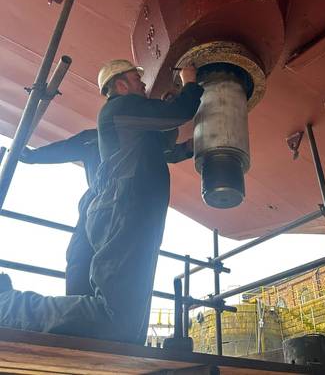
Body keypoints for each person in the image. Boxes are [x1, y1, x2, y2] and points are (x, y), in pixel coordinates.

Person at [0, 59, 203, 344]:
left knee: (126, 327)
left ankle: (97, 345)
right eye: (136, 78)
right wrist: (190, 82)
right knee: (117, 319)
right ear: (120, 85)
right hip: (124, 206)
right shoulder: (118, 108)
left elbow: (160, 147)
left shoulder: (130, 128)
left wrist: (188, 148)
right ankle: (7, 309)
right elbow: (177, 114)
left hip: (136, 210)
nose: (144, 84)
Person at [19, 129, 99, 296]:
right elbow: (68, 148)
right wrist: (33, 156)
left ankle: (80, 311)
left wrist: (33, 156)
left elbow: (69, 148)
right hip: (100, 206)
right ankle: (80, 311)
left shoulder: (99, 134)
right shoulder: (97, 136)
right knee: (80, 258)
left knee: (80, 258)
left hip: (103, 205)